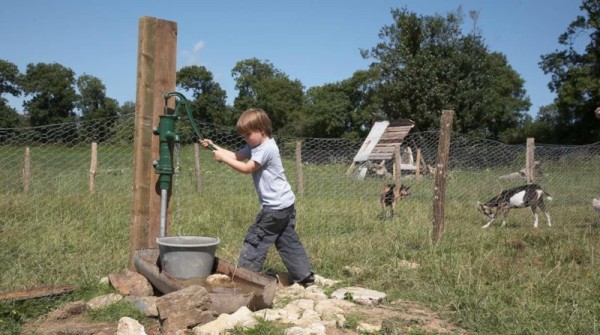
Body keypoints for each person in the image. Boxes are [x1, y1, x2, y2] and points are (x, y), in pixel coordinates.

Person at [200, 108, 314, 287]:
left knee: (255, 240)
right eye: (243, 135)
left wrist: (223, 158)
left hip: (275, 208)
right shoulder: (256, 146)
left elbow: (247, 168)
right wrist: (214, 147)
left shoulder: (266, 148)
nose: (245, 138)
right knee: (287, 240)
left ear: (261, 130)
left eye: (248, 134)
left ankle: (245, 281)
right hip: (286, 204)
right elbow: (236, 155)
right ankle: (305, 277)